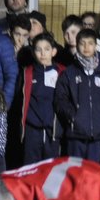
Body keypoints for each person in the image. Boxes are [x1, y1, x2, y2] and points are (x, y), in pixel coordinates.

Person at [57, 28, 100, 163]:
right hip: (76, 132)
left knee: (94, 173)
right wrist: (73, 117)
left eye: (90, 43)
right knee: (75, 171)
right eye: (82, 43)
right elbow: (61, 99)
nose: (86, 47)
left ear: (96, 46)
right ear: (77, 45)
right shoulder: (69, 73)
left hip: (98, 133)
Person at [17, 34, 65, 165]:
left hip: (53, 130)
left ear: (54, 51)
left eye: (47, 49)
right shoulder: (27, 73)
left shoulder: (62, 72)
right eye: (38, 49)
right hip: (32, 130)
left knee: (51, 169)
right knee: (31, 167)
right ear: (33, 52)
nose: (43, 53)